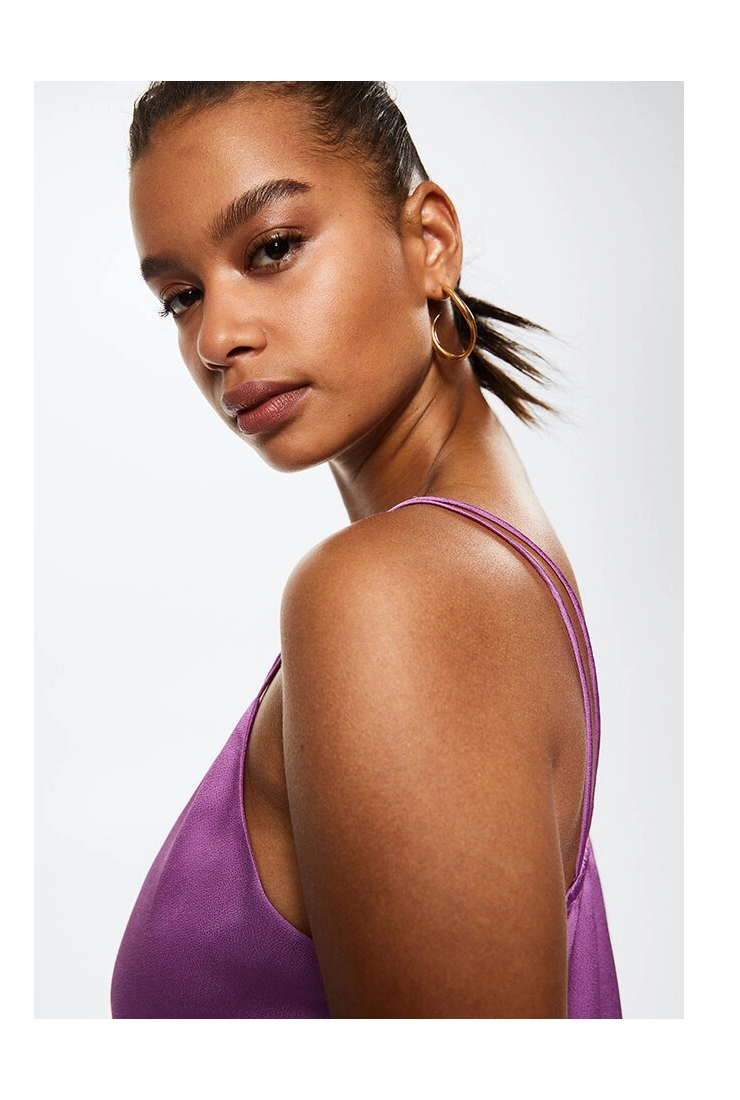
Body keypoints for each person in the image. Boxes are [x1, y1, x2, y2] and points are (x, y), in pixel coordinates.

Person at [110, 80, 621, 1019]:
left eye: (273, 248)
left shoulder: (401, 591)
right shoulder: (480, 561)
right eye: (181, 296)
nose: (218, 337)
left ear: (429, 241)